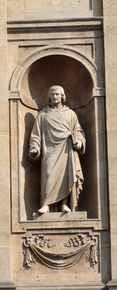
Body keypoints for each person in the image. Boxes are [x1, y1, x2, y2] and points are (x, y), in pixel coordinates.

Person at [29, 85, 85, 214]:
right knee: (49, 174)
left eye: (57, 94)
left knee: (65, 175)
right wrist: (35, 147)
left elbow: (78, 131)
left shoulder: (70, 114)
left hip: (66, 149)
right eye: (52, 94)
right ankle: (46, 204)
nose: (55, 97)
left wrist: (79, 142)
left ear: (62, 96)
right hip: (49, 151)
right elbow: (36, 135)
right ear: (49, 97)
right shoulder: (43, 115)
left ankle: (64, 204)